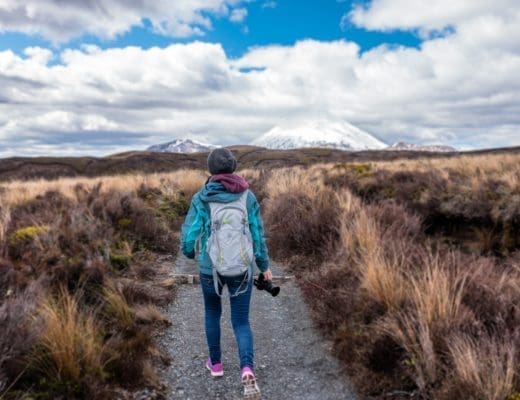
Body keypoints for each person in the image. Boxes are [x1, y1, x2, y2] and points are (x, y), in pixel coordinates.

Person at [180, 147, 271, 399]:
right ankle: (246, 368)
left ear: (211, 170)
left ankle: (216, 365)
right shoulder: (248, 196)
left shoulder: (201, 197)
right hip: (242, 268)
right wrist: (264, 266)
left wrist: (189, 254)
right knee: (241, 321)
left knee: (212, 312)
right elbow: (257, 235)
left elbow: (190, 234)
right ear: (233, 167)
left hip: (211, 268)